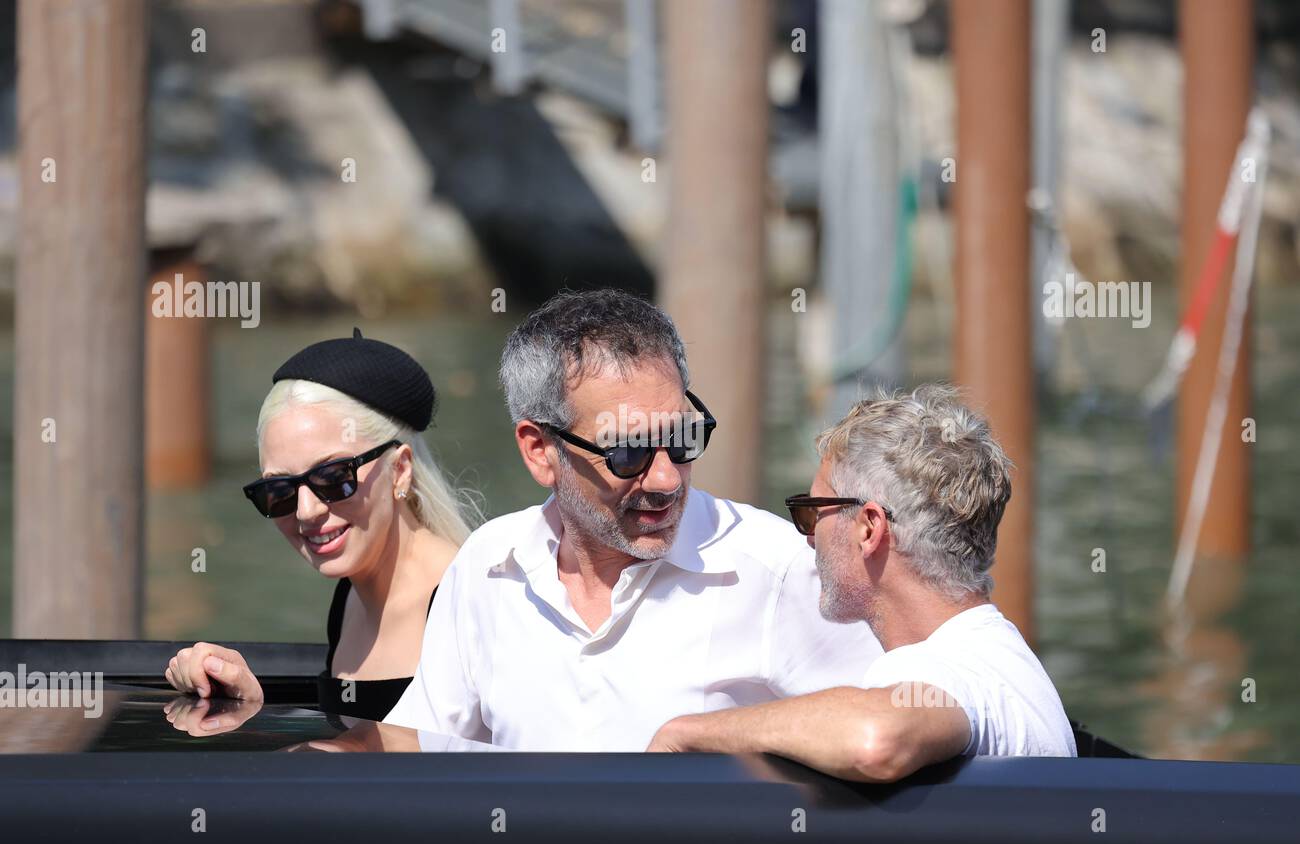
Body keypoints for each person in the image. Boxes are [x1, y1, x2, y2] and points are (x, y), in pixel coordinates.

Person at [384, 289, 882, 748]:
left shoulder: (777, 570)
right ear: (540, 452)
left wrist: (707, 735)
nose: (666, 478)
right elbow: (424, 749)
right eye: (628, 451)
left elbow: (892, 721)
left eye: (683, 437)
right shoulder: (488, 566)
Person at [647, 384, 1077, 778]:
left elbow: (875, 739)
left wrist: (688, 732)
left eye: (812, 511)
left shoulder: (944, 667)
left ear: (869, 528)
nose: (808, 535)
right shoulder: (994, 658)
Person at [163, 329, 479, 726]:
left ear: (400, 470)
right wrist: (246, 704)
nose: (307, 511)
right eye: (278, 491)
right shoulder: (349, 599)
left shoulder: (470, 603)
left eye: (334, 476)